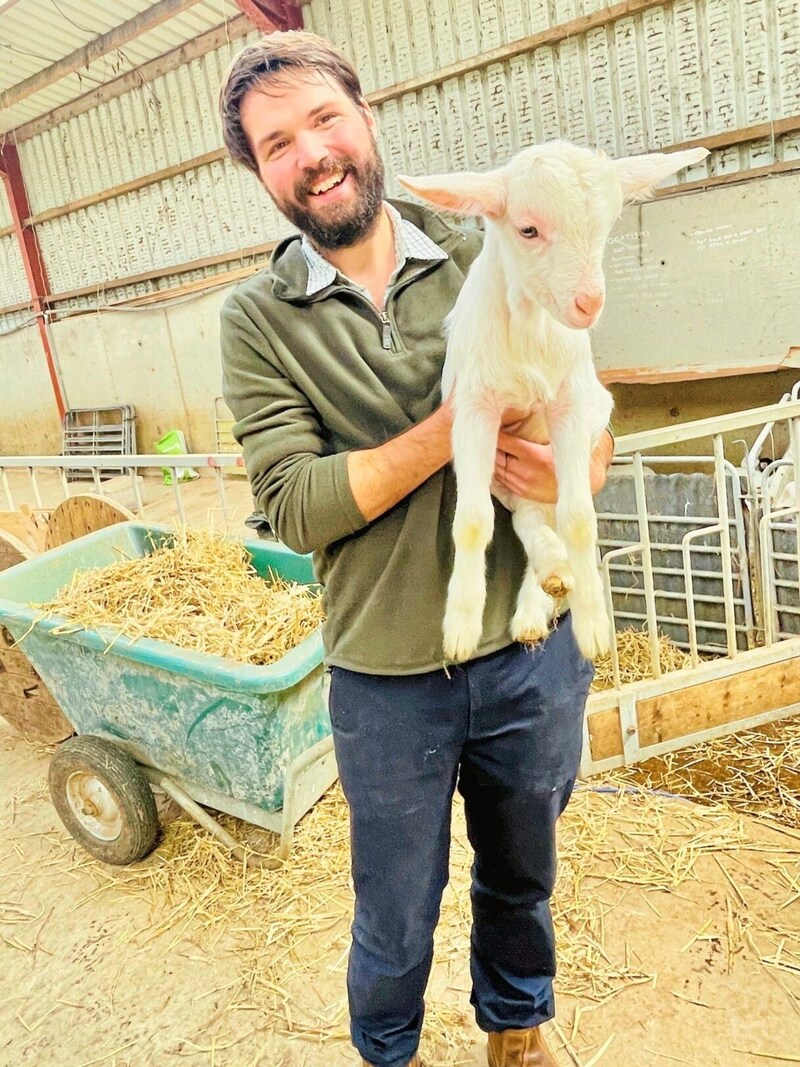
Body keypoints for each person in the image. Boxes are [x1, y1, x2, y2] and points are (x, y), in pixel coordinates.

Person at [218, 31, 614, 1067]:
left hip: (530, 656)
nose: (309, 152)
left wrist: (581, 469)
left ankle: (514, 1029)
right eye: (275, 144)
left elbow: (584, 399)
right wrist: (457, 426)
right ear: (259, 174)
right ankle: (386, 1050)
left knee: (520, 877)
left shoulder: (494, 242)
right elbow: (296, 505)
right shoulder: (258, 320)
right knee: (393, 912)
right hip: (385, 675)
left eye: (323, 119)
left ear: (365, 116)